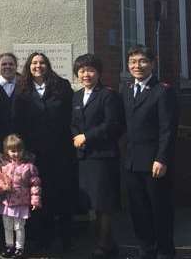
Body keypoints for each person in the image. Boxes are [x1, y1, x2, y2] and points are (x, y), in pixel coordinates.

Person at [16, 51, 76, 253]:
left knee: (59, 195)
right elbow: (18, 121)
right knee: (35, 196)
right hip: (33, 154)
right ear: (28, 66)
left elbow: (70, 117)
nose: (38, 66)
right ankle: (39, 239)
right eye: (34, 63)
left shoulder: (62, 86)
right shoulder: (22, 89)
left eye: (42, 62)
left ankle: (66, 240)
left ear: (48, 65)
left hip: (59, 152)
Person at [122, 46, 177, 259]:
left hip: (155, 162)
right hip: (132, 162)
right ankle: (146, 251)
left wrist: (161, 158)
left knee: (160, 210)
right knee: (138, 211)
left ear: (153, 63)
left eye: (143, 61)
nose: (137, 66)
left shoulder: (162, 90)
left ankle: (165, 252)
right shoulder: (126, 89)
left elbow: (168, 129)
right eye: (133, 62)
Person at [71, 53, 124, 258]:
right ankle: (106, 243)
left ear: (99, 72)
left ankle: (104, 245)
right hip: (84, 157)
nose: (86, 74)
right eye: (82, 71)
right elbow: (73, 123)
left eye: (90, 70)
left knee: (104, 203)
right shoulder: (76, 96)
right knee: (92, 202)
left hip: (103, 156)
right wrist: (76, 135)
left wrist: (87, 136)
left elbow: (112, 125)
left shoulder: (108, 95)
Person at [0, 134, 41, 259]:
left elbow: (35, 184)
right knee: (7, 226)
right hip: (6, 202)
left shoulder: (28, 167)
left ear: (23, 150)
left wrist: (35, 200)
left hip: (21, 203)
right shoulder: (4, 166)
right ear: (7, 151)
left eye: (18, 151)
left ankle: (19, 248)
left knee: (19, 227)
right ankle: (9, 246)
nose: (16, 154)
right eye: (12, 151)